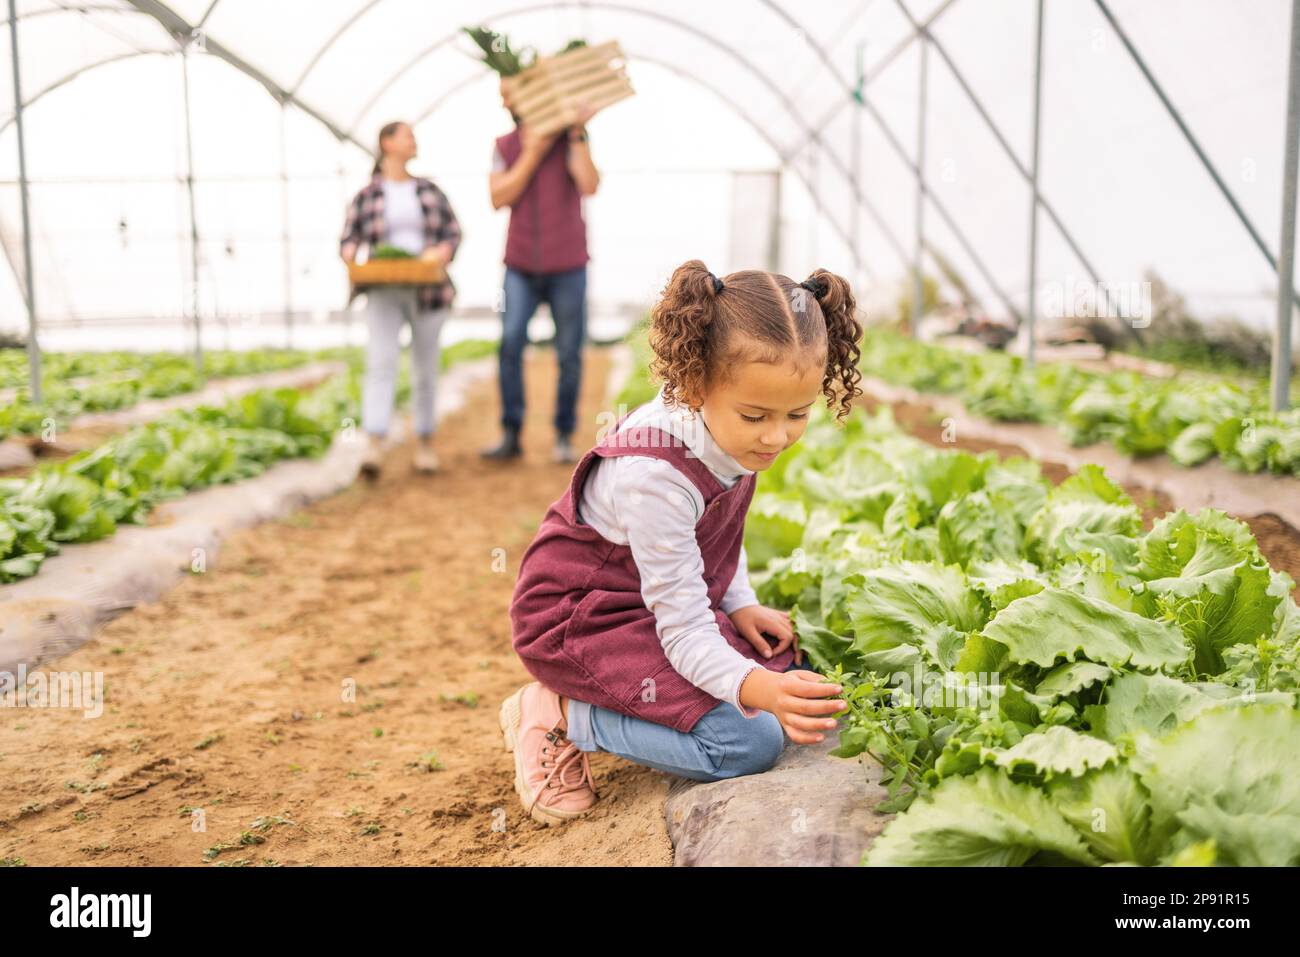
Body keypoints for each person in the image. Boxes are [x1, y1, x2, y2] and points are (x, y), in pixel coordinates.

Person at [499, 259, 865, 826]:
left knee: (790, 668)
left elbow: (722, 534)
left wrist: (740, 603)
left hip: (648, 603)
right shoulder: (656, 476)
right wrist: (753, 689)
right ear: (696, 385)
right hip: (578, 621)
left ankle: (617, 705)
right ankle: (560, 712)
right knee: (748, 743)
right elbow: (685, 628)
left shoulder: (734, 432)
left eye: (798, 414)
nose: (777, 435)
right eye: (757, 415)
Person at [481, 78, 600, 464]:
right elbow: (499, 196)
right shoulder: (505, 146)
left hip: (568, 264)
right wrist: (532, 152)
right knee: (511, 342)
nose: (504, 100)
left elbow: (589, 184)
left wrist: (578, 132)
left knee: (569, 351)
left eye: (509, 92)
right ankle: (511, 432)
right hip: (520, 266)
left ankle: (563, 434)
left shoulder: (571, 139)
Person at [339, 120, 462, 477]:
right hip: (382, 287)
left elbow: (452, 232)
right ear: (387, 144)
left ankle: (425, 443)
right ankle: (374, 444)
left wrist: (441, 251)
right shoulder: (368, 195)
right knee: (381, 362)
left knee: (426, 366)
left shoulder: (428, 191)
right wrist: (351, 256)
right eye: (407, 135)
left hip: (428, 288)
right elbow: (348, 238)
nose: (414, 141)